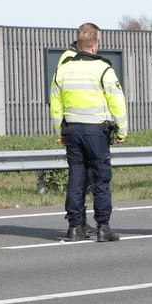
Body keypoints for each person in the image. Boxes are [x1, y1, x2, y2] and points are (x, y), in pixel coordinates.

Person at [49, 23, 128, 242]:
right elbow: (117, 101)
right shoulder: (103, 68)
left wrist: (60, 132)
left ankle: (74, 227)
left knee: (76, 178)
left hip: (72, 130)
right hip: (96, 132)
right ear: (95, 46)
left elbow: (55, 103)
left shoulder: (62, 69)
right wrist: (122, 130)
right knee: (101, 179)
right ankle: (103, 228)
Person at [57, 31, 96, 239]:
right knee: (81, 178)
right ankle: (77, 222)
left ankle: (79, 222)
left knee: (82, 177)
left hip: (74, 126)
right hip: (84, 126)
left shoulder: (69, 58)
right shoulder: (70, 59)